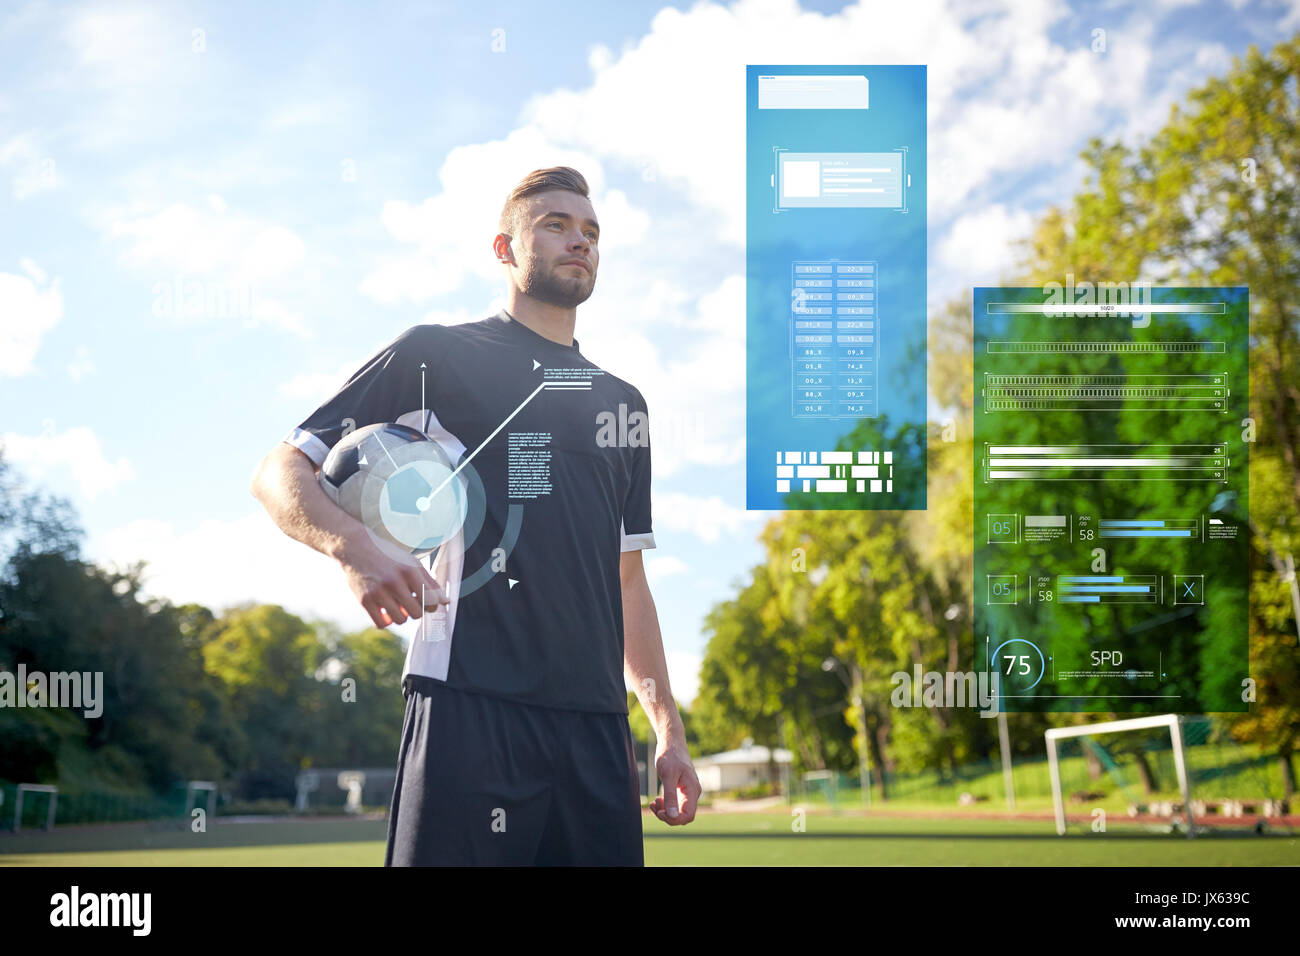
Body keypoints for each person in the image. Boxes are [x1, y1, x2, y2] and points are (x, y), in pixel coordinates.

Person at [250, 166, 699, 865]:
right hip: (469, 703)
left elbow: (628, 582)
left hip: (598, 730)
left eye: (590, 231)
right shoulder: (435, 354)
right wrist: (354, 549)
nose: (578, 241)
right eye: (555, 225)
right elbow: (280, 469)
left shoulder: (623, 404)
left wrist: (664, 726)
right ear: (504, 250)